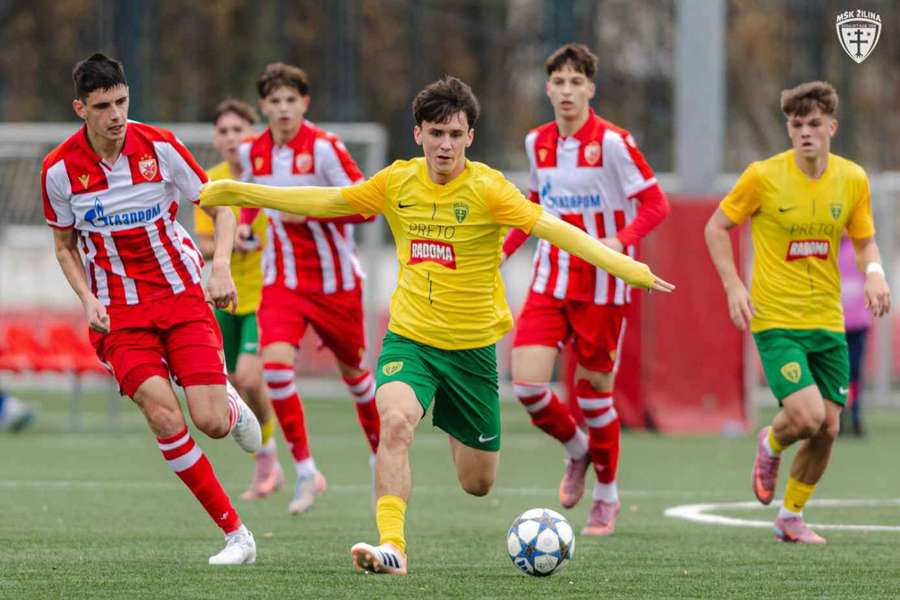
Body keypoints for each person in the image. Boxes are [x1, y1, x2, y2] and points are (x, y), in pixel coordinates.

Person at [200, 76, 674, 575]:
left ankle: (455, 424)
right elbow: (328, 201)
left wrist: (629, 267)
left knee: (477, 483)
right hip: (411, 340)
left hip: (472, 354)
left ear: (470, 136)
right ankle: (392, 547)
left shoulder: (491, 190)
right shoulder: (397, 182)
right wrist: (235, 190)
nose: (444, 144)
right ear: (418, 134)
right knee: (396, 423)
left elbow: (555, 229)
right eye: (435, 133)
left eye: (454, 133)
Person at [42, 53, 262, 564]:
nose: (117, 115)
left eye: (122, 101)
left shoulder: (159, 146)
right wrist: (86, 296)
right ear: (81, 108)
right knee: (164, 416)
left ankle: (228, 405)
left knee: (209, 422)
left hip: (181, 295)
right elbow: (64, 246)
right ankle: (237, 536)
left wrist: (221, 265)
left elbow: (220, 204)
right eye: (103, 106)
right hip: (120, 315)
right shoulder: (58, 171)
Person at [704, 81, 891, 544]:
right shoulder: (763, 177)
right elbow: (716, 226)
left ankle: (790, 517)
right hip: (776, 320)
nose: (804, 132)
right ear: (788, 129)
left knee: (828, 428)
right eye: (795, 124)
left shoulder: (852, 179)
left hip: (828, 320)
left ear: (832, 126)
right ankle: (770, 443)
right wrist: (733, 286)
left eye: (813, 124)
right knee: (806, 417)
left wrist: (875, 273)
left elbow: (864, 239)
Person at [501, 43, 670, 536]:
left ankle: (607, 495)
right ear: (548, 88)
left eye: (577, 82)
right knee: (529, 387)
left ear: (591, 89)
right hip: (549, 278)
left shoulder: (614, 142)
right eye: (559, 82)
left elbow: (656, 204)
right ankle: (577, 450)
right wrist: (502, 252)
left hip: (602, 287)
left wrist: (617, 242)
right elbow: (532, 205)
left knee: (596, 395)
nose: (567, 90)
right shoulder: (538, 143)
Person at [237, 63, 379, 515]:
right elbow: (251, 202)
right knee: (275, 368)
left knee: (357, 377)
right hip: (282, 282)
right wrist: (246, 230)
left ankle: (382, 459)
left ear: (305, 103)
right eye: (274, 101)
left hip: (335, 283)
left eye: (290, 100)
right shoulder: (253, 153)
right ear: (263, 107)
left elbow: (366, 206)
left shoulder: (324, 149)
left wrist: (312, 212)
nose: (283, 109)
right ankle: (304, 470)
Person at [194, 98, 285, 500]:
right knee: (231, 381)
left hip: (264, 296)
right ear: (216, 139)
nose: (232, 138)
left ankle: (267, 458)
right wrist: (230, 246)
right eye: (225, 131)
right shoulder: (210, 183)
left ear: (255, 135)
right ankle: (267, 460)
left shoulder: (268, 178)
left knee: (249, 378)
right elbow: (205, 241)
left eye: (239, 130)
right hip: (224, 294)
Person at [838, 236, 873, 436]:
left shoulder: (860, 250)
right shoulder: (828, 247)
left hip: (857, 323)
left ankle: (856, 416)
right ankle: (838, 415)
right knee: (837, 373)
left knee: (855, 373)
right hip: (833, 323)